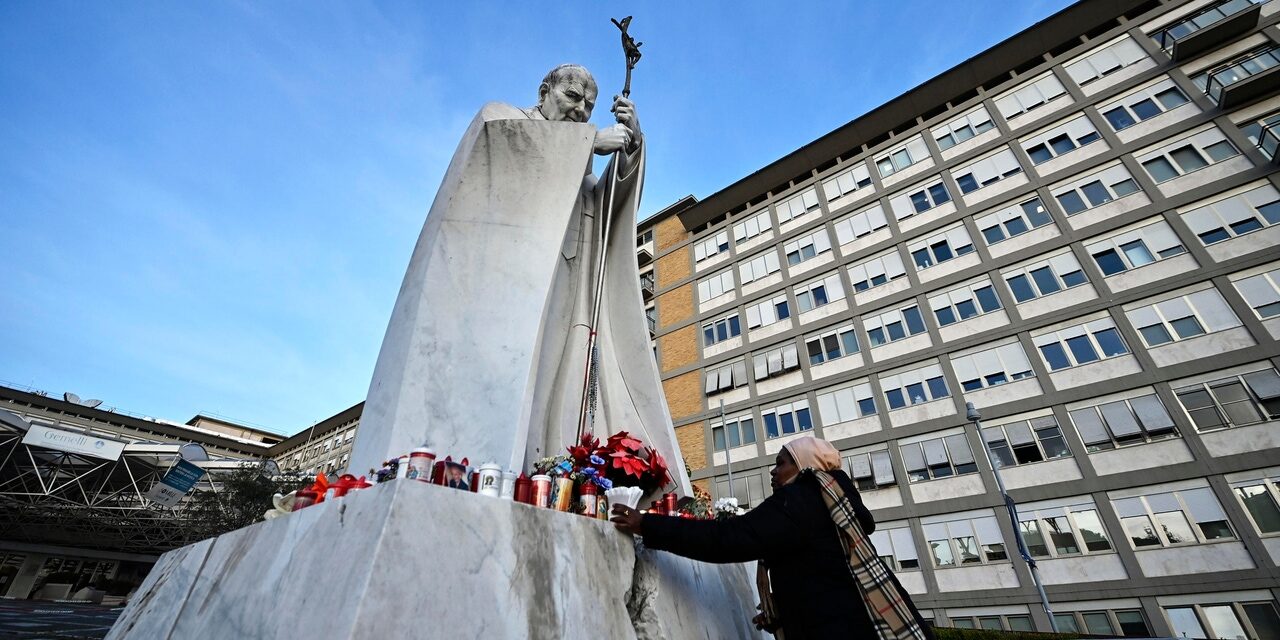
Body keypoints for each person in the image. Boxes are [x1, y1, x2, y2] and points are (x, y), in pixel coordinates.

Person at [351, 64, 692, 498]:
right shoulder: (502, 121)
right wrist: (587, 141)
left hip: (568, 294)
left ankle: (550, 478)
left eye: (589, 106)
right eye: (572, 97)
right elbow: (500, 153)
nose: (580, 110)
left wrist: (632, 148)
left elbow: (607, 208)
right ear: (545, 90)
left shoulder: (580, 171)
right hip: (508, 299)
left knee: (556, 397)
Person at [611, 436, 932, 640]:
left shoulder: (804, 498)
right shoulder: (833, 502)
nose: (773, 472)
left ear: (806, 466)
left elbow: (732, 538)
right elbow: (824, 574)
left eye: (781, 463)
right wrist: (785, 613)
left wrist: (648, 525)